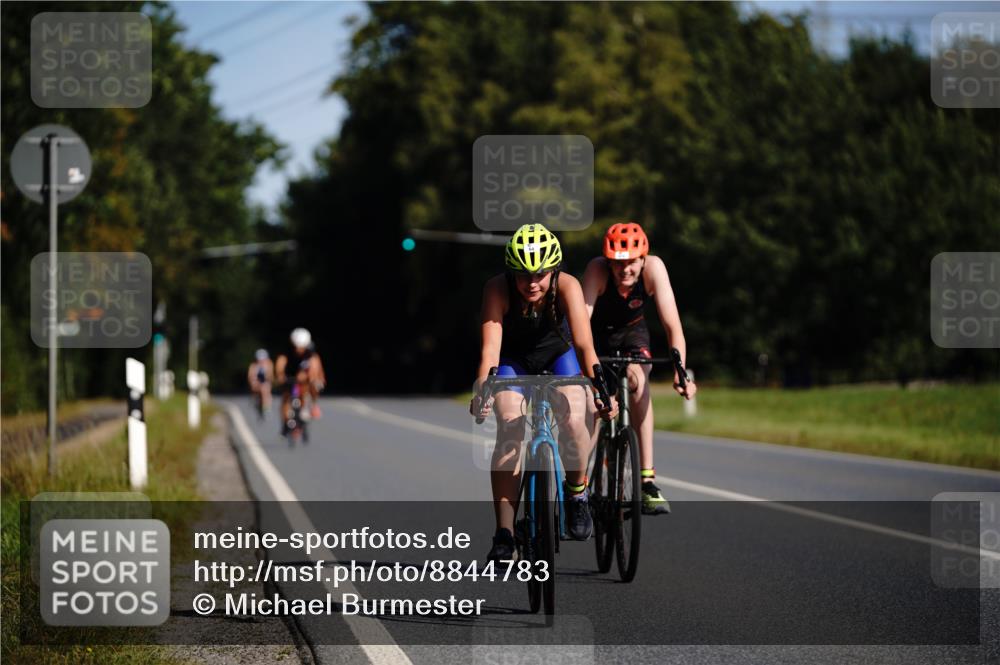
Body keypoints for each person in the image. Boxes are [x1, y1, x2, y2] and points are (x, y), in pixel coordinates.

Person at [471, 223, 615, 562]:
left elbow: (584, 345)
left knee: (574, 419)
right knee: (510, 425)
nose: (532, 282)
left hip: (558, 355)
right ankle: (505, 533)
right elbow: (490, 353)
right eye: (523, 275)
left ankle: (577, 494)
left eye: (540, 274)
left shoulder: (568, 286)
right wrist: (483, 392)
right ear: (512, 272)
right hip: (514, 361)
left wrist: (599, 387)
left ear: (554, 270)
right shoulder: (497, 289)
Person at [582, 222, 697, 515]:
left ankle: (647, 482)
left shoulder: (654, 268)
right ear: (608, 261)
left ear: (643, 258)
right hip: (597, 338)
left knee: (638, 382)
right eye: (618, 263)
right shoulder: (596, 270)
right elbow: (581, 324)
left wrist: (680, 370)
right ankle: (578, 485)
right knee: (595, 403)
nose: (626, 269)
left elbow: (673, 325)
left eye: (632, 262)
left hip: (633, 334)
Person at [275, 328, 326, 434]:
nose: (299, 350)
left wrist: (313, 378)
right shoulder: (286, 352)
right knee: (286, 398)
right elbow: (280, 363)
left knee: (314, 386)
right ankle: (285, 422)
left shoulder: (311, 354)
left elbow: (315, 367)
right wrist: (280, 375)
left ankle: (313, 404)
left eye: (302, 347)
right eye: (297, 346)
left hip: (305, 378)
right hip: (289, 377)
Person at [247, 349, 274, 418]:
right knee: (256, 386)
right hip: (256, 382)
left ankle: (266, 406)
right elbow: (250, 376)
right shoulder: (253, 365)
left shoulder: (269, 364)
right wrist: (254, 382)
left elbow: (270, 376)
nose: (261, 361)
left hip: (265, 382)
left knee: (265, 389)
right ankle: (255, 400)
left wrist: (266, 376)